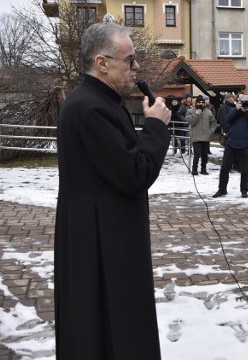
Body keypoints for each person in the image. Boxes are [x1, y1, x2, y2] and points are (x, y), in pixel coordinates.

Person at [54, 22, 170, 359]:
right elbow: (136, 172)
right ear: (102, 63)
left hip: (103, 233)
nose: (136, 67)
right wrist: (156, 127)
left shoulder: (96, 101)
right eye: (130, 59)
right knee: (108, 329)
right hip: (102, 242)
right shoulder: (90, 108)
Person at [213, 94, 248, 198]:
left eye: (247, 102)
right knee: (225, 167)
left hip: (246, 144)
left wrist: (246, 112)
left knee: (244, 169)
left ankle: (244, 190)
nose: (245, 104)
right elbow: (227, 120)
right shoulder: (234, 110)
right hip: (231, 143)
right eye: (243, 102)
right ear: (239, 102)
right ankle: (222, 189)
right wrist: (237, 110)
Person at [186, 95, 217, 175]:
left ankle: (203, 169)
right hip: (196, 136)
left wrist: (210, 131)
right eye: (199, 102)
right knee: (197, 153)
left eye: (202, 102)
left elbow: (214, 123)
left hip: (206, 136)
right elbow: (190, 122)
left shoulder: (208, 112)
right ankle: (194, 169)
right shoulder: (190, 111)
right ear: (196, 103)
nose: (201, 104)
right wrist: (196, 114)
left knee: (204, 154)